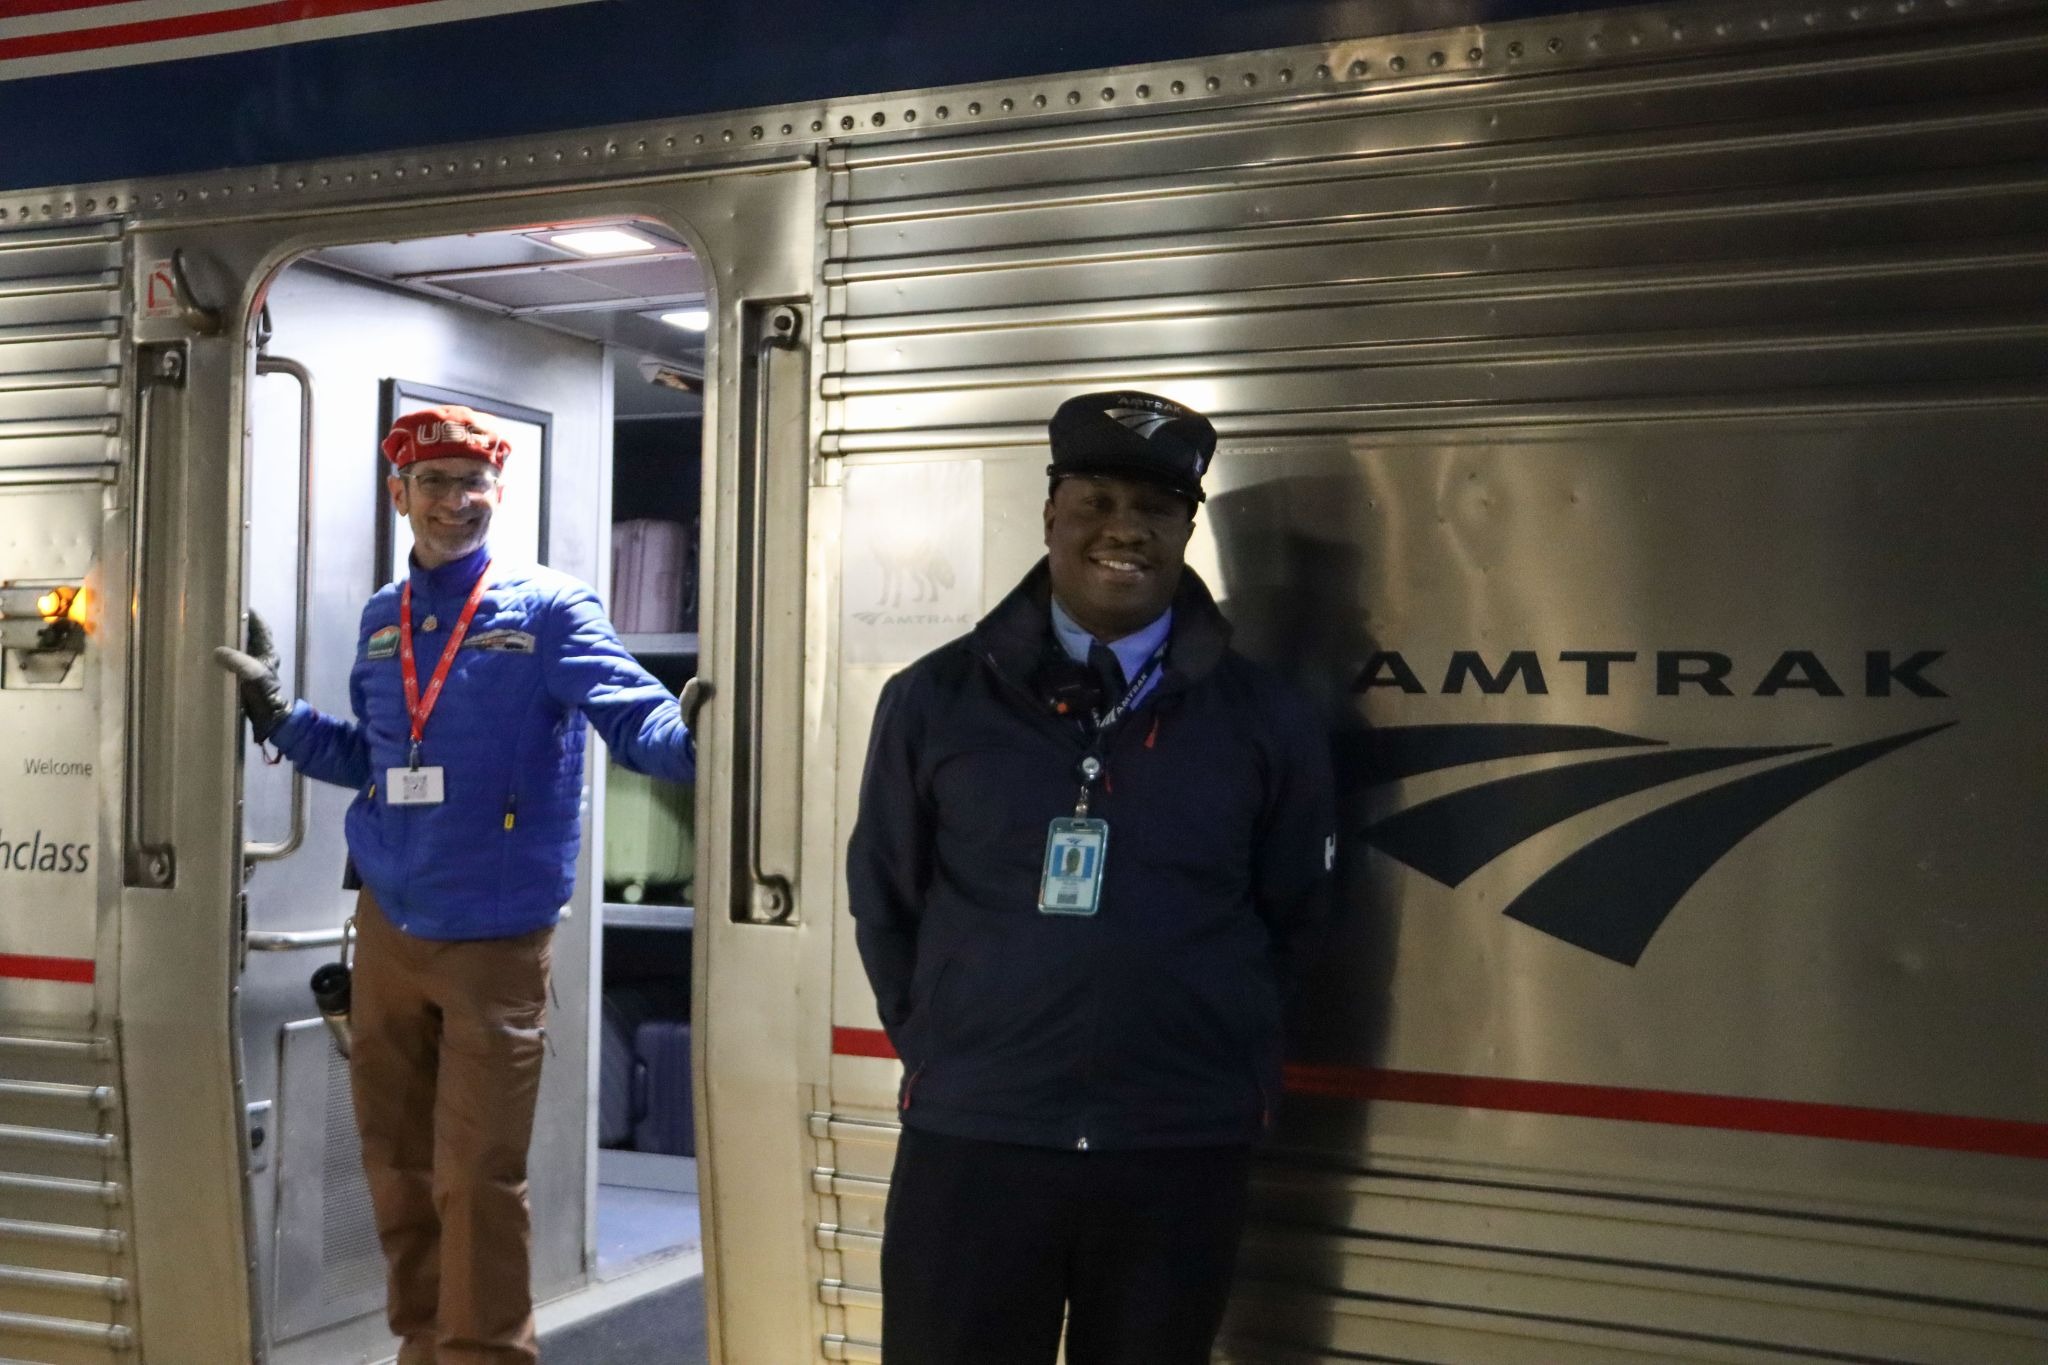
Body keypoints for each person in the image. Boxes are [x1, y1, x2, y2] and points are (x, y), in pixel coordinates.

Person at [847, 391, 1337, 1365]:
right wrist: (951, 1048)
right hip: (976, 1138)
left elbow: (1297, 914)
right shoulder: (932, 700)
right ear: (1050, 515)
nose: (1125, 530)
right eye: (1097, 501)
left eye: (1157, 509)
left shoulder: (1263, 718)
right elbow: (883, 899)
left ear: (1188, 529)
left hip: (1177, 1145)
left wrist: (1211, 1046)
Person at [215, 405, 701, 1365]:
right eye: (434, 483)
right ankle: (423, 1347)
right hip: (389, 922)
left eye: (473, 483)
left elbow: (636, 719)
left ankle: (486, 1357)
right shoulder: (383, 620)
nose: (457, 501)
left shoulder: (551, 607)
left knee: (477, 1174)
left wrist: (700, 737)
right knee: (396, 1166)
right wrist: (277, 711)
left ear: (497, 493)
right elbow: (375, 756)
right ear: (401, 496)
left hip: (497, 939)